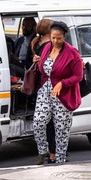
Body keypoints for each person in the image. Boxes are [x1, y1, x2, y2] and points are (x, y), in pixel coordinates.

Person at [33, 20, 83, 164]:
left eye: (58, 38)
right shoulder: (47, 47)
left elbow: (78, 76)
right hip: (45, 90)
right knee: (38, 122)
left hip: (63, 95)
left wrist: (62, 83)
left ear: (64, 36)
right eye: (53, 37)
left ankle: (60, 161)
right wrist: (38, 61)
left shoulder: (72, 53)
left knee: (61, 129)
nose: (55, 41)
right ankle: (44, 151)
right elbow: (44, 67)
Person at [31, 19, 57, 163]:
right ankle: (53, 153)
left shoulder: (37, 43)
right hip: (51, 85)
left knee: (43, 121)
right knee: (52, 122)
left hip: (41, 85)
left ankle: (46, 151)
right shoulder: (50, 45)